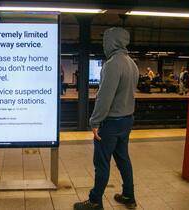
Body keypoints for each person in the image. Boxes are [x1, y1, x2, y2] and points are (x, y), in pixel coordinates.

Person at [74, 27, 139, 210]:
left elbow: (104, 97)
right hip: (126, 120)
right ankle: (128, 195)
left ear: (112, 42)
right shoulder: (131, 63)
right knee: (123, 159)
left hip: (110, 123)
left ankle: (95, 201)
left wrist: (94, 121)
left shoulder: (112, 64)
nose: (104, 45)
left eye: (106, 41)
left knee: (102, 163)